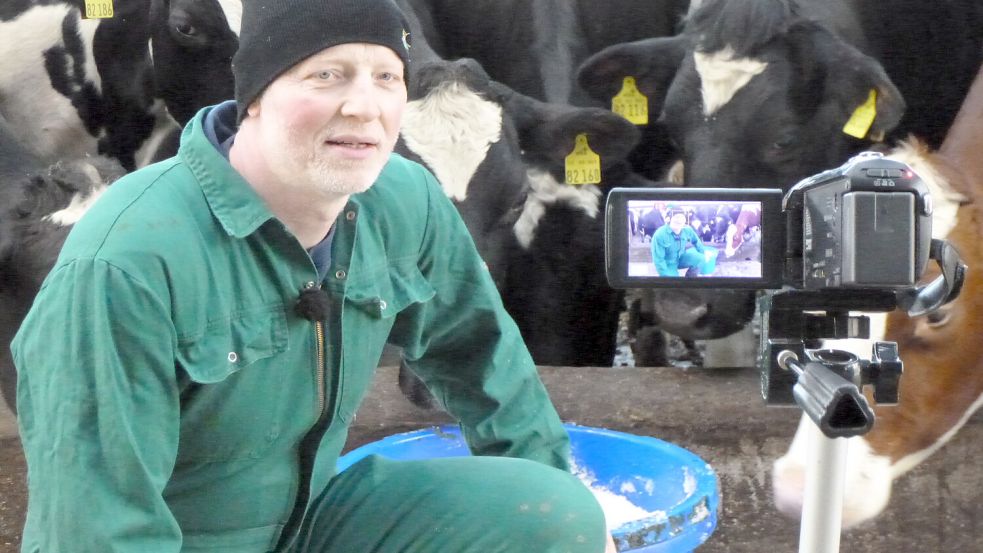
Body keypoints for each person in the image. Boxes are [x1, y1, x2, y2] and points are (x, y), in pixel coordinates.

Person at [10, 1, 614, 551]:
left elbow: (482, 354)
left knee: (552, 514)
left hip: (313, 519)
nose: (363, 105)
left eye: (386, 77)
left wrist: (559, 491)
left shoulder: (404, 199)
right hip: (178, 537)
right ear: (254, 96)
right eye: (325, 75)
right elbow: (92, 527)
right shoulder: (125, 261)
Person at [651, 208, 716, 277]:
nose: (679, 220)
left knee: (701, 258)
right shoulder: (660, 234)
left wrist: (703, 253)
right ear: (669, 219)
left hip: (681, 257)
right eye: (676, 217)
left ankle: (689, 279)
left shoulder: (687, 229)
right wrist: (666, 276)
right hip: (668, 263)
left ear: (685, 220)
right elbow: (659, 260)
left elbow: (696, 241)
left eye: (682, 217)